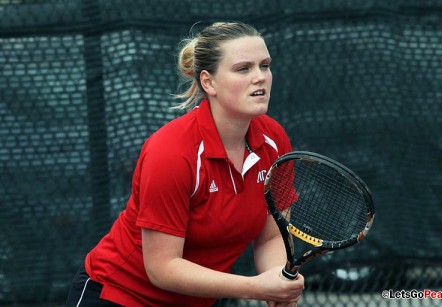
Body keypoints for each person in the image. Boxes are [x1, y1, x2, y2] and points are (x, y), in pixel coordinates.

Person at [66, 21, 304, 307]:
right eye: (243, 68)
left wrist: (276, 279)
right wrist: (257, 287)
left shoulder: (274, 140)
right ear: (208, 82)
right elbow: (163, 267)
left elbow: (270, 236)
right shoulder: (171, 152)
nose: (260, 77)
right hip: (120, 295)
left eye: (265, 66)